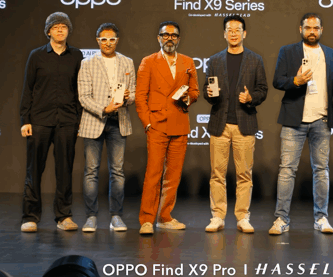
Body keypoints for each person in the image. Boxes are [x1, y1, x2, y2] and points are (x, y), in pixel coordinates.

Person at [269, 13, 333, 235]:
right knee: (286, 171)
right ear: (300, 29)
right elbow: (277, 81)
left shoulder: (332, 55)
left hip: (322, 120)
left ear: (322, 30)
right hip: (294, 120)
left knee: (321, 170)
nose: (312, 31)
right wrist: (295, 81)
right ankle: (281, 219)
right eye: (308, 27)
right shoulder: (288, 51)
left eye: (316, 28)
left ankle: (321, 218)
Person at [204, 15, 268, 234]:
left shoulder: (255, 60)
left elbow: (263, 90)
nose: (233, 33)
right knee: (217, 174)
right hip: (219, 125)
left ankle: (243, 217)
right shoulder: (214, 60)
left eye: (237, 30)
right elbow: (206, 91)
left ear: (244, 33)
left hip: (245, 124)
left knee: (244, 174)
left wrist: (251, 98)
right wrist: (210, 94)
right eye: (229, 30)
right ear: (224, 34)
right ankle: (217, 216)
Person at [19, 12, 83, 232]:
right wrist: (25, 120)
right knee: (34, 170)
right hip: (39, 121)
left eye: (64, 26)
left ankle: (64, 216)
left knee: (65, 171)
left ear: (68, 30)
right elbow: (27, 89)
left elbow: (79, 90)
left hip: (67, 121)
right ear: (48, 31)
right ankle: (30, 217)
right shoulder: (36, 56)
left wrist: (78, 120)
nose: (60, 30)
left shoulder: (76, 55)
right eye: (55, 27)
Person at [136, 21, 199, 235]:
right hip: (157, 124)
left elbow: (195, 92)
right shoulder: (148, 61)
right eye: (165, 35)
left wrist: (187, 99)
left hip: (179, 123)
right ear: (159, 38)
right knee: (153, 174)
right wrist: (147, 123)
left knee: (173, 175)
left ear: (178, 39)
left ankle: (165, 217)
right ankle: (147, 219)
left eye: (173, 35)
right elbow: (140, 96)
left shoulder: (188, 62)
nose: (169, 38)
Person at [78, 23, 136, 232]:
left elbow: (134, 93)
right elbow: (83, 97)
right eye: (104, 39)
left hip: (119, 122)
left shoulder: (128, 62)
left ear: (117, 40)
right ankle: (91, 217)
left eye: (112, 39)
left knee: (117, 172)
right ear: (98, 41)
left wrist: (128, 97)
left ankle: (116, 216)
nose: (108, 43)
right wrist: (104, 108)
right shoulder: (87, 63)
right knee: (91, 172)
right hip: (94, 121)